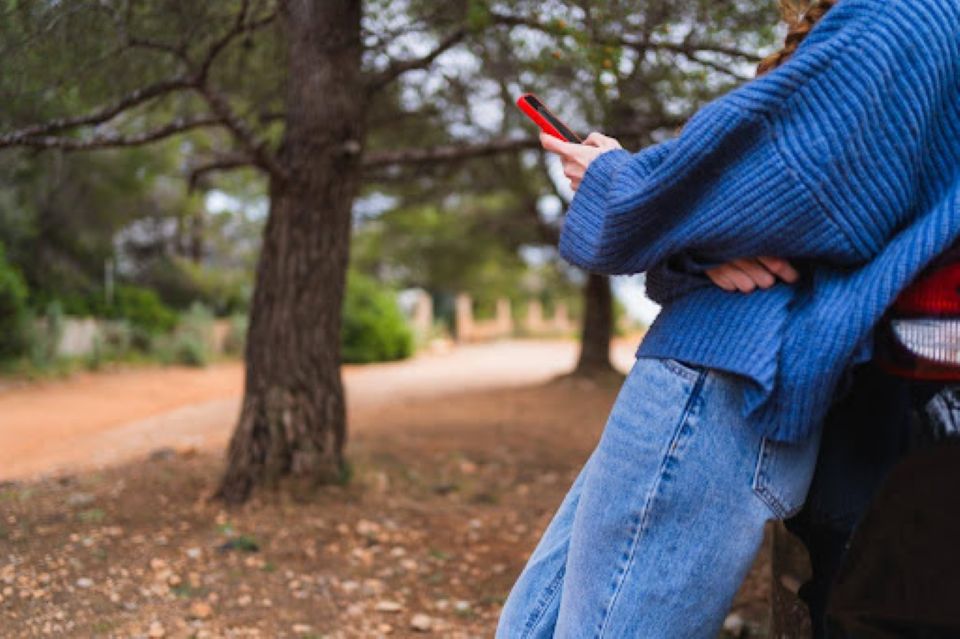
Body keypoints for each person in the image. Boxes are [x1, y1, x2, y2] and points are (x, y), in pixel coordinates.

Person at [495, 0, 960, 637]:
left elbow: (786, 183)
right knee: (532, 626)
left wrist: (621, 182)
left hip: (725, 378)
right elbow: (778, 204)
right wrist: (698, 240)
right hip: (719, 371)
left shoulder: (906, 14)